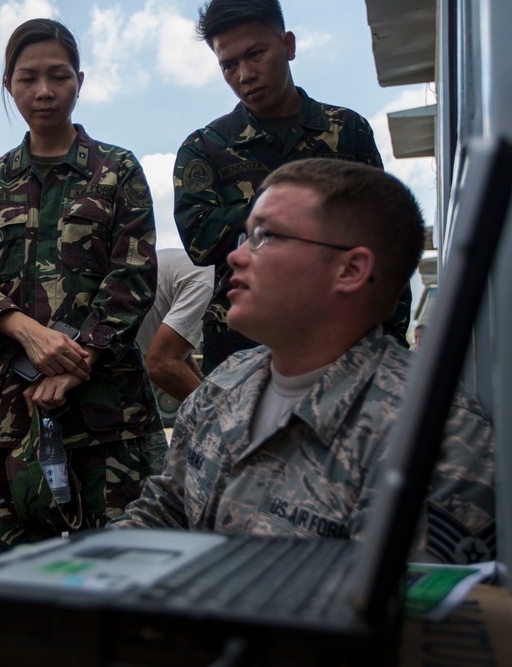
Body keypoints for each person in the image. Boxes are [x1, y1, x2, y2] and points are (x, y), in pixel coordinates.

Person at [113, 159, 495, 565]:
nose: (236, 257)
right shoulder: (227, 381)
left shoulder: (431, 435)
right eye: (245, 236)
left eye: (264, 236)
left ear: (350, 270)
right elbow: (163, 512)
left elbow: (407, 614)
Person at [0, 18, 161, 557]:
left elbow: (133, 274)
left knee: (113, 570)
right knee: (15, 577)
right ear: (8, 85)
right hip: (3, 409)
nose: (43, 91)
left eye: (58, 76)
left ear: (79, 81)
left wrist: (79, 359)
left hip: (103, 409)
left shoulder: (116, 170)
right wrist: (27, 332)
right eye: (27, 78)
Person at [174, 0, 408, 373]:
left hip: (347, 341)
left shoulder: (347, 131)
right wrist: (298, 209)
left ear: (288, 46)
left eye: (255, 54)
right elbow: (200, 241)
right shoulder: (205, 147)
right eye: (228, 65)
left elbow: (385, 238)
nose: (245, 74)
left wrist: (393, 337)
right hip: (245, 353)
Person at [136, 247, 213, 403]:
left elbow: (177, 354)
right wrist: (219, 413)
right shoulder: (208, 285)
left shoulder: (205, 269)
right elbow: (160, 363)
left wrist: (205, 390)